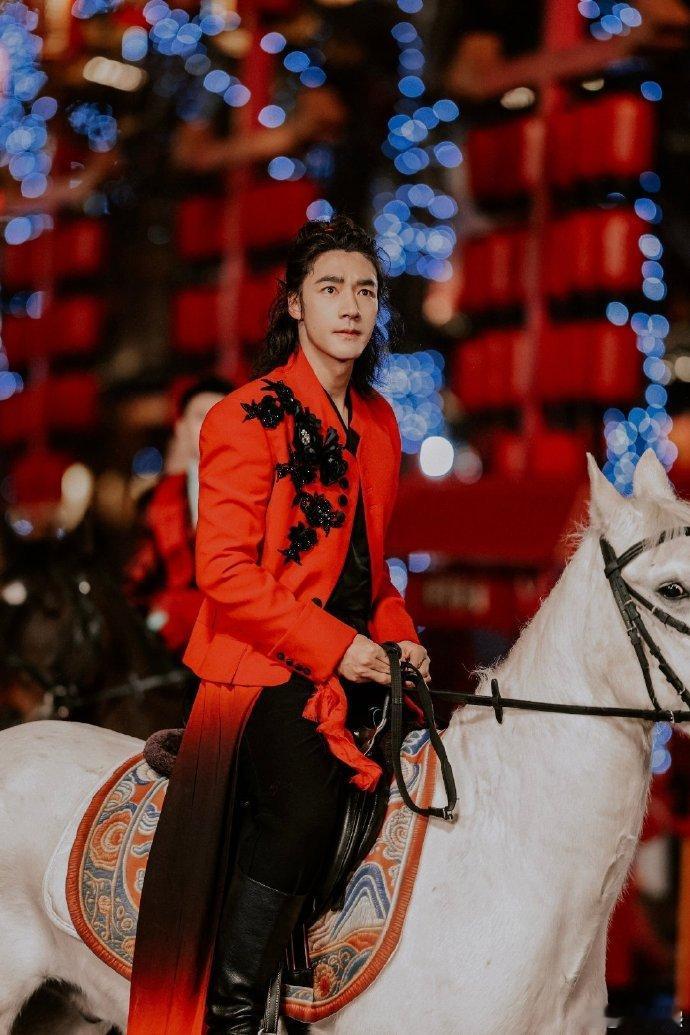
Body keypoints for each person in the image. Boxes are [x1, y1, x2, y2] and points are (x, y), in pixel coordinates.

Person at [127, 216, 430, 1035]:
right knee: (301, 810)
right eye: (331, 288)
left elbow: (373, 572)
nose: (351, 305)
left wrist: (399, 632)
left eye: (365, 290)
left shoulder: (380, 421)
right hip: (264, 666)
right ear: (295, 304)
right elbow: (224, 575)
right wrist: (339, 648)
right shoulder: (244, 415)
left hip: (359, 656)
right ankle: (232, 1010)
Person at [124, 375, 233, 656]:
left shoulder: (266, 490)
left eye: (222, 415)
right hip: (174, 640)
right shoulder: (159, 499)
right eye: (200, 417)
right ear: (181, 427)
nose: (212, 425)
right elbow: (141, 573)